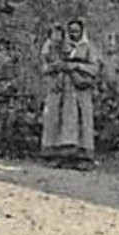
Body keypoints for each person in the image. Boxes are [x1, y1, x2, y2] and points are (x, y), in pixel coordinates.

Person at [41, 19, 100, 166]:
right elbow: (46, 65)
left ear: (82, 32)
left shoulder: (88, 47)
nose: (74, 35)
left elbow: (95, 68)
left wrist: (77, 66)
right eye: (71, 31)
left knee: (81, 121)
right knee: (59, 120)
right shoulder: (61, 46)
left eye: (77, 32)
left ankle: (82, 157)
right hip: (63, 90)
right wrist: (57, 67)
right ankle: (58, 155)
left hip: (80, 90)